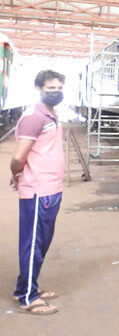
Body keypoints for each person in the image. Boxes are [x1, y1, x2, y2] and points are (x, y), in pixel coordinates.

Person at [10, 70, 67, 315]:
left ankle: (24, 288)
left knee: (40, 243)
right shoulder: (34, 118)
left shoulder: (51, 115)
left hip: (50, 188)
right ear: (38, 89)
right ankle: (27, 298)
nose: (56, 92)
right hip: (38, 191)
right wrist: (16, 174)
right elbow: (18, 156)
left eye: (59, 87)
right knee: (34, 244)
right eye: (51, 88)